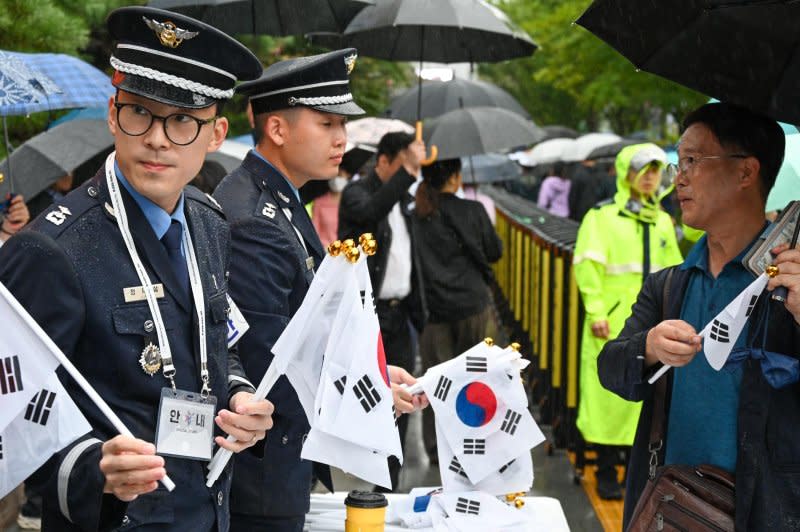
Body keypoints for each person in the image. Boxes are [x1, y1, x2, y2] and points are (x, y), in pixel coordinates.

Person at [0, 7, 274, 530]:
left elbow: (219, 339)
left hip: (208, 508)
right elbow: (11, 417)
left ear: (216, 134)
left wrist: (238, 395)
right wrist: (90, 468)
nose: (157, 138)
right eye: (140, 113)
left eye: (182, 121)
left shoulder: (208, 221)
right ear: (112, 114)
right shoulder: (51, 249)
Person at [215, 48, 425, 531]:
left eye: (342, 125)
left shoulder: (279, 201)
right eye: (327, 123)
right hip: (261, 467)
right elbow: (269, 361)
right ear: (278, 128)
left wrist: (370, 370)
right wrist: (364, 390)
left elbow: (301, 331)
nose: (342, 138)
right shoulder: (255, 219)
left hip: (280, 454)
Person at [598, 103, 800, 529]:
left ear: (746, 172)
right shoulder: (670, 286)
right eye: (679, 163)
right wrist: (648, 347)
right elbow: (611, 369)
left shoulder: (788, 284)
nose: (679, 178)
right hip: (670, 509)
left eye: (693, 160)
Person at [573, 143, 683, 500]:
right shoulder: (601, 217)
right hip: (612, 321)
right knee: (608, 398)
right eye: (643, 169)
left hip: (651, 326)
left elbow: (675, 271)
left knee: (641, 398)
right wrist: (597, 312)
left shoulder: (663, 220)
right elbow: (587, 266)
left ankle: (629, 469)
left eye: (656, 170)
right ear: (626, 173)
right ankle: (606, 470)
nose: (651, 177)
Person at [337, 131, 428, 489]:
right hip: (369, 314)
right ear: (384, 161)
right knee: (370, 392)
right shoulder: (358, 193)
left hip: (401, 312)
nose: (412, 171)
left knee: (403, 395)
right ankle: (364, 471)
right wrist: (407, 173)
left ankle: (388, 480)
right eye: (405, 164)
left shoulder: (404, 200)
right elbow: (372, 211)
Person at [414, 158, 502, 463]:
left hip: (434, 311)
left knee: (437, 382)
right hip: (474, 307)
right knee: (477, 379)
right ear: (454, 177)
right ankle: (476, 443)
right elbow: (495, 252)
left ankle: (439, 451)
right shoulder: (473, 210)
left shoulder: (418, 215)